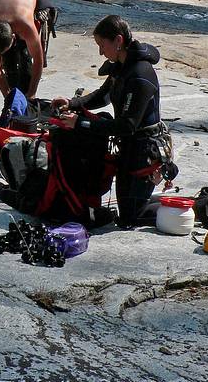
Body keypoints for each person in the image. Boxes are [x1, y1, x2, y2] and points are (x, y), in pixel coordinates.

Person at [52, 15, 162, 228]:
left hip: (143, 151)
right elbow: (103, 95)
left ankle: (198, 205)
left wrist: (80, 123)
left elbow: (127, 126)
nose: (101, 52)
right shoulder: (121, 66)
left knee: (131, 218)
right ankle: (150, 201)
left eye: (102, 45)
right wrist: (72, 103)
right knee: (127, 210)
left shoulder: (140, 74)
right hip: (128, 148)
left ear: (118, 40)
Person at [0, 0, 58, 99]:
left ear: (14, 36)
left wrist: (31, 93)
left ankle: (26, 91)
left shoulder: (26, 26)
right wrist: (7, 96)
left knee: (25, 57)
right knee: (9, 62)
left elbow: (37, 61)